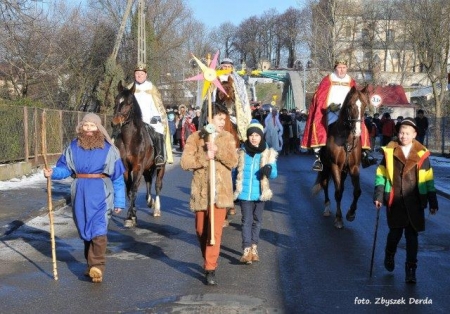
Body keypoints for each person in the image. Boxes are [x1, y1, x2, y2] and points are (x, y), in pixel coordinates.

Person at [43, 113, 126, 283]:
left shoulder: (109, 149)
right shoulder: (73, 147)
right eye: (86, 125)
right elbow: (65, 169)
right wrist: (52, 173)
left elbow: (117, 178)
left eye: (92, 126)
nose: (88, 129)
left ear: (99, 128)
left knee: (99, 227)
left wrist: (119, 201)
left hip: (101, 191)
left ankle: (98, 266)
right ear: (81, 127)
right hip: (79, 191)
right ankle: (91, 266)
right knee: (85, 229)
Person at [373, 117, 438, 284]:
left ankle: (411, 270)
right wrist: (379, 195)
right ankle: (389, 253)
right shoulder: (390, 152)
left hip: (415, 201)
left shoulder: (422, 154)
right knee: (395, 233)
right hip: (396, 200)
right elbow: (381, 174)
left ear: (414, 134)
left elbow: (428, 179)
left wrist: (432, 200)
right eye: (401, 132)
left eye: (407, 133)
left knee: (412, 236)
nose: (403, 136)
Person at [180, 103, 239, 286]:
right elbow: (185, 163)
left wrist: (218, 151)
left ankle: (210, 267)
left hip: (220, 194)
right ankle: (208, 256)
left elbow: (233, 162)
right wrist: (204, 156)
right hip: (201, 192)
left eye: (224, 118)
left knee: (215, 232)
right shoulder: (196, 137)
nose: (223, 122)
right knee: (201, 230)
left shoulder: (228, 137)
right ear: (209, 118)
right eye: (219, 118)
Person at [301, 59, 374, 171]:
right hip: (331, 111)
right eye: (339, 68)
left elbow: (357, 97)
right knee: (320, 125)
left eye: (344, 68)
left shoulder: (351, 81)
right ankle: (319, 156)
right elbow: (320, 98)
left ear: (347, 68)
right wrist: (330, 106)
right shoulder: (327, 80)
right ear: (335, 68)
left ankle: (365, 154)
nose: (341, 70)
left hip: (349, 112)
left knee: (360, 125)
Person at [233, 121, 278, 264]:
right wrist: (232, 191)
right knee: (246, 221)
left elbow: (274, 173)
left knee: (257, 221)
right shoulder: (241, 152)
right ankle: (246, 250)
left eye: (256, 135)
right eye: (251, 135)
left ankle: (254, 248)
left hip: (260, 193)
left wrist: (269, 170)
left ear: (261, 137)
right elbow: (235, 172)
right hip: (245, 193)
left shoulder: (268, 153)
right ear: (247, 136)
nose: (253, 138)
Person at [132, 63, 172, 166]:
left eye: (141, 73)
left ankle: (159, 155)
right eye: (137, 74)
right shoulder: (130, 88)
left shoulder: (151, 88)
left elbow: (157, 104)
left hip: (149, 119)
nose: (139, 76)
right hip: (134, 120)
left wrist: (156, 116)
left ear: (146, 75)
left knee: (158, 129)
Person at [217, 57, 252, 143]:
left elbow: (242, 97)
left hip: (233, 110)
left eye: (229, 66)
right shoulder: (215, 78)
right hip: (218, 109)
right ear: (221, 67)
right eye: (225, 66)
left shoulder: (238, 81)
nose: (227, 68)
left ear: (232, 68)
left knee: (237, 125)